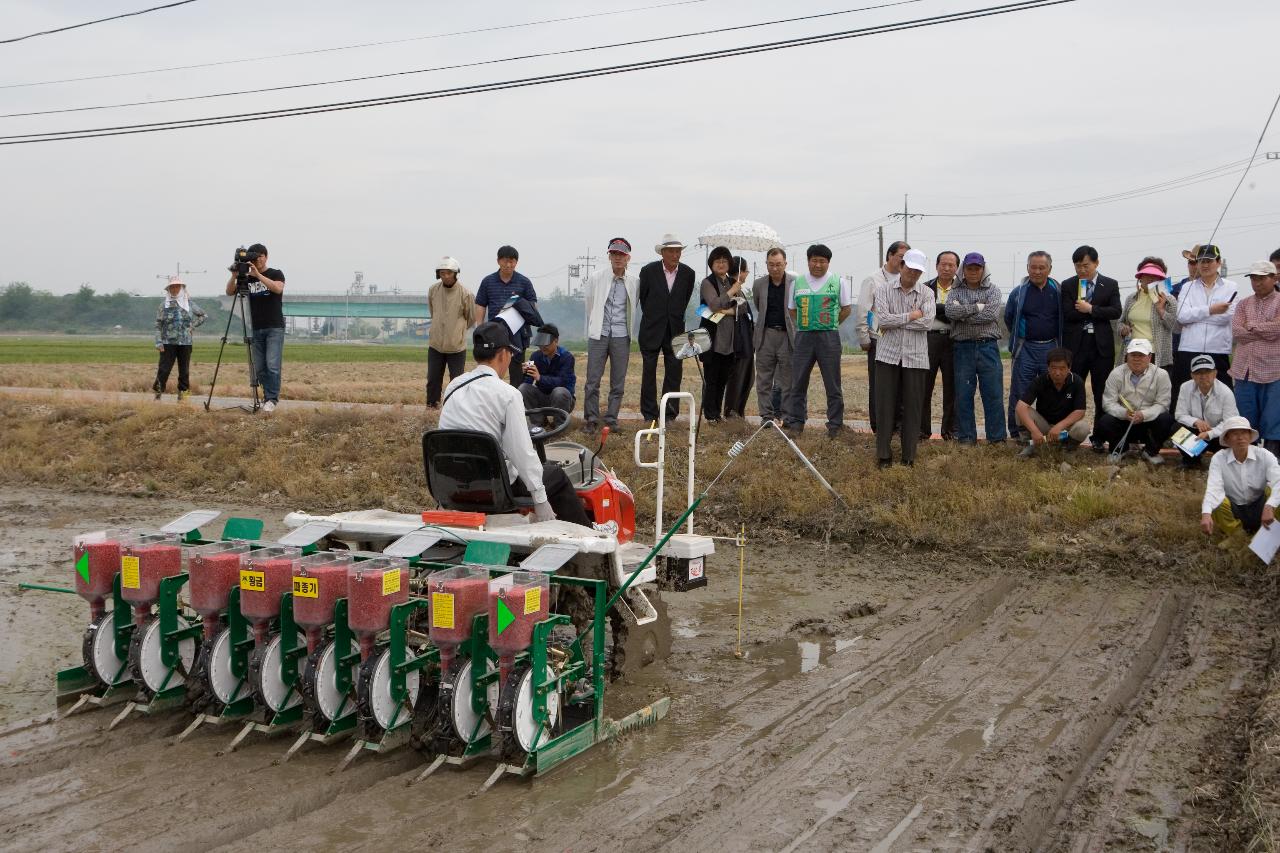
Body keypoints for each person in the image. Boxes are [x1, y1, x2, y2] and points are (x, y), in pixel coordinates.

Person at [438, 321, 591, 526]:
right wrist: (540, 499)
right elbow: (521, 452)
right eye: (510, 353)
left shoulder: (453, 387)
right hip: (495, 486)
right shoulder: (508, 394)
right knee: (556, 475)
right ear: (503, 354)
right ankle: (586, 532)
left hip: (452, 485)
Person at [872, 249, 935, 466]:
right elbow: (883, 321)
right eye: (910, 268)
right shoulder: (883, 290)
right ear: (901, 266)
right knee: (885, 406)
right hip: (887, 355)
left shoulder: (927, 293)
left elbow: (927, 323)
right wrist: (911, 315)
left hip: (916, 357)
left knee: (913, 407)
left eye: (918, 271)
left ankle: (909, 456)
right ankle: (883, 455)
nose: (913, 274)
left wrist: (898, 320)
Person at [785, 244, 853, 438]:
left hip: (829, 337)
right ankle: (796, 423)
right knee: (797, 382)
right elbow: (792, 310)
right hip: (804, 337)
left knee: (832, 384)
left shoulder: (838, 281)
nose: (818, 264)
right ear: (808, 261)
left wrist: (831, 323)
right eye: (814, 260)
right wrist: (804, 324)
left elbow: (846, 308)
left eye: (822, 261)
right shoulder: (796, 283)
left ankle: (835, 425)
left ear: (828, 262)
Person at [946, 252, 1005, 445]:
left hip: (988, 347)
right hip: (963, 348)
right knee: (963, 395)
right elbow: (950, 311)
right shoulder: (954, 290)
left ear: (983, 269)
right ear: (963, 269)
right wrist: (977, 307)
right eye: (969, 268)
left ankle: (996, 439)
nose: (973, 272)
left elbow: (991, 314)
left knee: (993, 394)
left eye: (977, 268)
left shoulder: (993, 290)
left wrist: (963, 314)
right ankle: (966, 438)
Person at [637, 233, 697, 424]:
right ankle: (649, 414)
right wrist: (657, 316)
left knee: (674, 373)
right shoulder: (648, 271)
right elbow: (644, 300)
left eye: (678, 251)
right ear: (662, 252)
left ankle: (669, 414)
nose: (675, 255)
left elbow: (684, 300)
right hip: (651, 328)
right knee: (649, 372)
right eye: (671, 251)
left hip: (676, 330)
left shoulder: (688, 273)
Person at [1004, 251, 1062, 439]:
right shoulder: (1018, 292)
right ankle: (1017, 433)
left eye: (1041, 267)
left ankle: (1049, 432)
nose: (1037, 271)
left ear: (1050, 269)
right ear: (1027, 268)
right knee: (1020, 391)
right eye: (1033, 267)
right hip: (1025, 348)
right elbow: (1009, 318)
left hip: (1051, 348)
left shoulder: (1058, 290)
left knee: (1051, 391)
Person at [582, 237, 638, 432]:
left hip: (621, 335)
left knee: (618, 381)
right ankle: (591, 418)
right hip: (599, 333)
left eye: (621, 254)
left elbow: (634, 305)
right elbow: (589, 304)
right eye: (614, 254)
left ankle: (612, 418)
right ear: (609, 256)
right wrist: (596, 323)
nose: (617, 258)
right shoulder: (597, 278)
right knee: (592, 379)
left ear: (628, 257)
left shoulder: (634, 281)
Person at [1060, 245, 1121, 422]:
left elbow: (1115, 311)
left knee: (1101, 390)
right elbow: (1068, 314)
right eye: (1077, 265)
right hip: (1076, 345)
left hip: (1101, 347)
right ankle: (1070, 432)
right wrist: (1086, 311)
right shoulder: (1069, 285)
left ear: (1096, 263)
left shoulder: (1110, 284)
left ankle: (1099, 436)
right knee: (1072, 389)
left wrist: (1091, 309)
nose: (1081, 269)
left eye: (1086, 265)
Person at [224, 242, 285, 413]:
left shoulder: (275, 273)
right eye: (255, 256)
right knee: (259, 367)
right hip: (257, 328)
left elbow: (277, 289)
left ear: (266, 257)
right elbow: (230, 292)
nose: (258, 259)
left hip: (274, 327)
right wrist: (234, 275)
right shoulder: (247, 278)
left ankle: (272, 399)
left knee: (272, 364)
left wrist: (258, 275)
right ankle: (266, 398)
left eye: (260, 256)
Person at [1093, 338, 1175, 465]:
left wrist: (1144, 415)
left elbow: (1163, 404)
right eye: (1133, 355)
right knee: (1105, 420)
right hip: (1125, 421)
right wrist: (1124, 413)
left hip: (1148, 422)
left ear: (1149, 357)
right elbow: (1108, 403)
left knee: (1166, 419)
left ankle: (1150, 451)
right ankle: (1120, 449)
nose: (1136, 359)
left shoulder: (1161, 375)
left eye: (1141, 355)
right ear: (1127, 356)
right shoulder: (1116, 373)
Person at [858, 241, 910, 433]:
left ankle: (898, 425)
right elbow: (863, 310)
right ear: (889, 255)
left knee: (900, 386)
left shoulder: (909, 279)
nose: (904, 262)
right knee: (879, 386)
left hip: (902, 341)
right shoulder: (873, 280)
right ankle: (878, 425)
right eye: (901, 257)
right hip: (878, 340)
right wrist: (864, 337)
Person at [1230, 260, 1280, 456]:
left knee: (1273, 417)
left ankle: (1272, 460)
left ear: (1274, 278)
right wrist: (1265, 328)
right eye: (1253, 278)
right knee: (1246, 416)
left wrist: (1252, 326)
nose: (1257, 282)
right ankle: (1246, 457)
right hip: (1245, 369)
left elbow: (1277, 328)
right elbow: (1237, 331)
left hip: (1273, 369)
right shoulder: (1243, 303)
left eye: (1261, 278)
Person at [1174, 244, 1237, 399]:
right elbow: (1181, 316)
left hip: (1218, 349)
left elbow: (1226, 317)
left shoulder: (1231, 286)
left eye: (1209, 260)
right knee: (1185, 395)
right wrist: (1211, 309)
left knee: (1221, 396)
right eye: (1201, 261)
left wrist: (1194, 316)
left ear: (1218, 262)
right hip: (1189, 348)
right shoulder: (1187, 286)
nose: (1205, 265)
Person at [1199, 416, 1280, 537]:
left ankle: (1271, 535)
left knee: (1275, 493)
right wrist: (1206, 513)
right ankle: (1237, 537)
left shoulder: (1264, 455)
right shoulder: (1219, 458)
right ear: (1227, 439)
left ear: (1250, 436)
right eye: (1235, 434)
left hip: (1261, 507)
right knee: (1217, 501)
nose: (1240, 437)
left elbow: (1278, 481)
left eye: (1244, 433)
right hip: (1236, 509)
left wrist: (1269, 506)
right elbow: (1213, 488)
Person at [474, 245, 538, 386]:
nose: (509, 265)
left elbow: (533, 305)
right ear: (498, 261)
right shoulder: (488, 281)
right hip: (494, 332)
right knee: (493, 367)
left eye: (512, 261)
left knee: (517, 370)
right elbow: (480, 305)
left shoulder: (524, 282)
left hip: (518, 333)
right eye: (505, 261)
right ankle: (492, 397)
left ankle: (517, 398)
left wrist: (520, 308)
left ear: (516, 262)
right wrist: (480, 327)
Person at [697, 246, 745, 423]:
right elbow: (714, 305)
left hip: (729, 339)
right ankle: (710, 415)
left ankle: (717, 413)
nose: (721, 264)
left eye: (725, 261)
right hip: (713, 339)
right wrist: (732, 292)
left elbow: (743, 308)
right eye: (717, 261)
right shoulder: (707, 283)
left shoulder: (732, 281)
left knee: (723, 378)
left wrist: (729, 312)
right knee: (711, 379)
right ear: (711, 264)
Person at [1015, 347, 1090, 458]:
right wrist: (1034, 431)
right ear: (1048, 368)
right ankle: (1029, 444)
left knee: (1083, 427)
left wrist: (1059, 426)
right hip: (1044, 427)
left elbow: (1080, 411)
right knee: (1020, 410)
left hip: (1064, 429)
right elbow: (1021, 407)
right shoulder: (1040, 380)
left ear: (1069, 368)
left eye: (1062, 368)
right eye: (1053, 368)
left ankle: (1067, 449)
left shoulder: (1077, 382)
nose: (1057, 373)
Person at [751, 247, 796, 424]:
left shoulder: (794, 282)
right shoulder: (758, 284)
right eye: (771, 264)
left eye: (778, 264)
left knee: (787, 380)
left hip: (787, 335)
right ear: (766, 265)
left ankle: (786, 415)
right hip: (766, 335)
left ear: (785, 263)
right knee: (763, 379)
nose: (775, 268)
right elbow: (757, 304)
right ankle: (766, 416)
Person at [426, 256, 474, 409]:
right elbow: (433, 312)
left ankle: (455, 408)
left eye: (448, 273)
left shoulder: (465, 293)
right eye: (442, 273)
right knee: (433, 378)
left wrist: (457, 331)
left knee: (457, 380)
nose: (445, 276)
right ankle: (432, 405)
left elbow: (471, 318)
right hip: (436, 344)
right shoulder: (433, 290)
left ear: (455, 273)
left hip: (456, 346)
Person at [1175, 354, 1239, 469]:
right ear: (1192, 375)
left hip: (1217, 437)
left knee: (1232, 435)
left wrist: (1210, 433)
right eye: (1198, 373)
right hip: (1197, 435)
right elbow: (1179, 415)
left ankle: (1222, 461)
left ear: (1215, 373)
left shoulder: (1226, 392)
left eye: (1207, 372)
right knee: (1176, 428)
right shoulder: (1185, 387)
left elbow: (1230, 422)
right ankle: (1192, 459)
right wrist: (1196, 422)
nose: (1203, 376)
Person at [1119, 258, 1179, 373]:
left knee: (1156, 388)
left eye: (1155, 276)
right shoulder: (1131, 298)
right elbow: (1121, 322)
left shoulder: (1169, 299)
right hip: (1133, 351)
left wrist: (1161, 310)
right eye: (1147, 275)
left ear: (1161, 279)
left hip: (1156, 354)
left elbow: (1173, 325)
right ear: (1140, 278)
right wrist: (1123, 329)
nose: (1150, 279)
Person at [923, 251, 959, 440]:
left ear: (956, 268)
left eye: (951, 265)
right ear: (936, 266)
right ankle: (922, 430)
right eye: (943, 264)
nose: (946, 268)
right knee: (924, 385)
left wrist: (939, 309)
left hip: (953, 340)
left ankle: (950, 431)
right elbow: (923, 311)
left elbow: (960, 313)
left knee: (951, 387)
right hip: (929, 339)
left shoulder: (962, 289)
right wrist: (949, 311)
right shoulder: (925, 287)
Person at [153, 276, 206, 402]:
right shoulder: (163, 305)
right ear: (169, 289)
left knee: (184, 370)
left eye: (177, 286)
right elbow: (158, 325)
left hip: (185, 343)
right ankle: (158, 393)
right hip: (167, 343)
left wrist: (192, 326)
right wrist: (158, 341)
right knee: (164, 369)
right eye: (172, 287)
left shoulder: (190, 304)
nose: (175, 289)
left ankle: (183, 396)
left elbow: (203, 315)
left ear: (181, 288)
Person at [723, 256, 756, 419]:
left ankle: (739, 412)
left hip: (747, 341)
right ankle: (731, 413)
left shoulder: (740, 289)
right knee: (737, 379)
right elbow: (722, 308)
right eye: (746, 270)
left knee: (748, 379)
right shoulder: (729, 287)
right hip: (737, 342)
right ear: (740, 271)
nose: (747, 274)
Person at [519, 323, 576, 415]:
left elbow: (562, 382)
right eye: (540, 343)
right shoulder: (535, 356)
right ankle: (539, 423)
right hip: (543, 397)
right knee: (523, 388)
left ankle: (560, 425)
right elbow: (527, 382)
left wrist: (540, 378)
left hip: (564, 400)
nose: (542, 347)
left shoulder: (567, 357)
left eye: (546, 344)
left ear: (556, 341)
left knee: (559, 392)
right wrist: (524, 373)